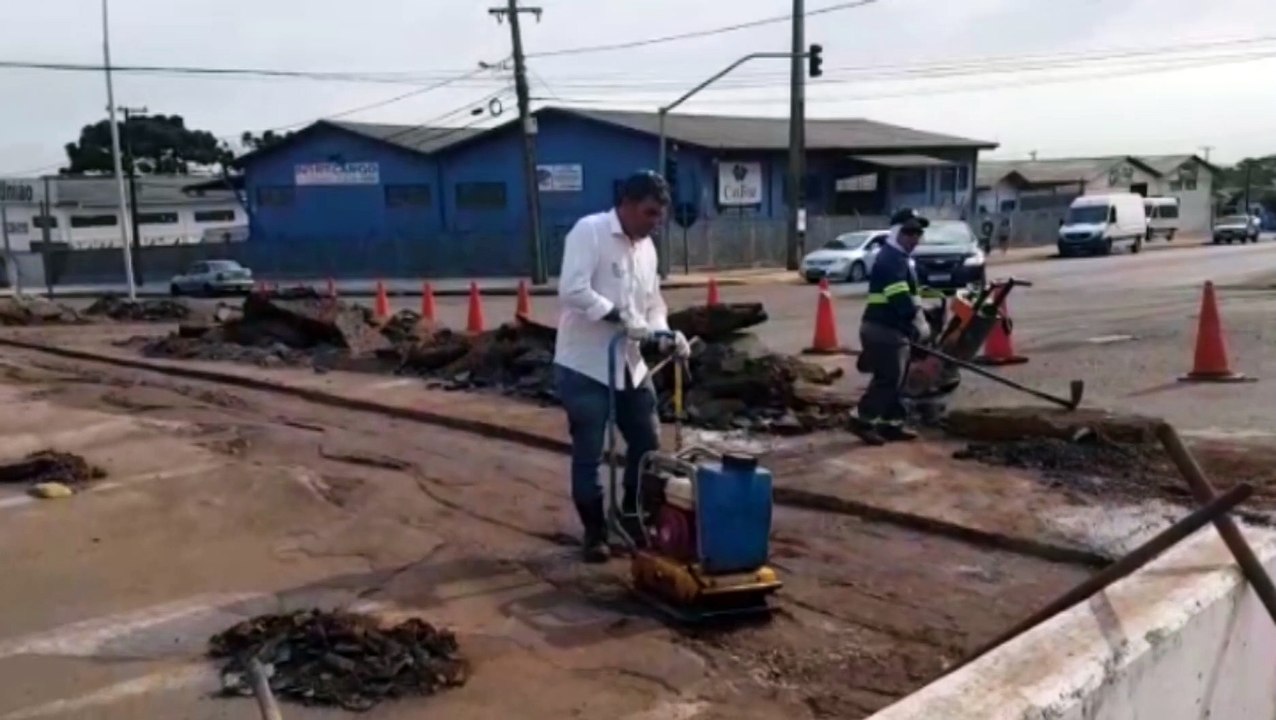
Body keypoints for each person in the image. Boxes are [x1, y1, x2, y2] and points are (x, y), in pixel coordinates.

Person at [553, 171, 691, 563]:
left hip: (629, 362)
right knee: (590, 451)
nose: (653, 223)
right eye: (648, 213)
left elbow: (653, 303)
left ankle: (629, 512)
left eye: (659, 216)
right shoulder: (591, 232)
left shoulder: (647, 249)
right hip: (586, 363)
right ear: (627, 205)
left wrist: (664, 331)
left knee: (647, 441)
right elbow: (573, 289)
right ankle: (594, 532)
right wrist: (616, 316)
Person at [849, 208, 932, 446]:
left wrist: (919, 320)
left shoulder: (901, 259)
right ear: (896, 232)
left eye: (918, 232)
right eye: (909, 232)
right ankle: (861, 419)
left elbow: (910, 296)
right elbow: (899, 295)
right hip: (882, 328)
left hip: (893, 328)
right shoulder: (890, 259)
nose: (914, 237)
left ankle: (890, 423)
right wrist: (915, 323)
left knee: (899, 377)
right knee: (889, 378)